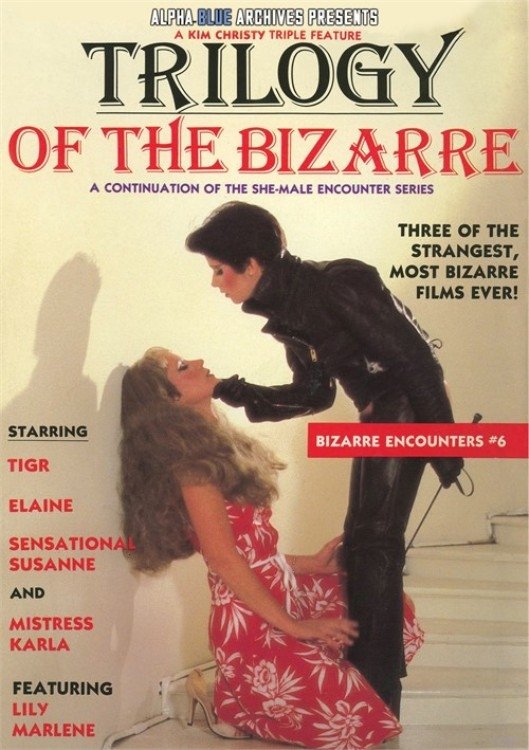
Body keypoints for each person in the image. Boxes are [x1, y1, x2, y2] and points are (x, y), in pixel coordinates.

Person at [185, 201, 463, 717]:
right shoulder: (289, 313)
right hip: (384, 413)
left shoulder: (338, 283)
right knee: (365, 545)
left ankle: (377, 691)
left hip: (405, 406)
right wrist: (226, 388)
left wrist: (445, 446)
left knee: (374, 545)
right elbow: (314, 394)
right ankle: (374, 686)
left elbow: (415, 360)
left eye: (220, 270)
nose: (216, 282)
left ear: (252, 264)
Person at [119, 347, 425, 748]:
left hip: (285, 595)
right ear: (170, 400)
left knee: (389, 608)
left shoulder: (219, 446)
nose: (199, 362)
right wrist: (296, 627)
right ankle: (236, 702)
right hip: (252, 627)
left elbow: (254, 553)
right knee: (355, 721)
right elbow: (223, 560)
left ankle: (239, 697)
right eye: (182, 367)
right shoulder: (192, 467)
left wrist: (312, 564)